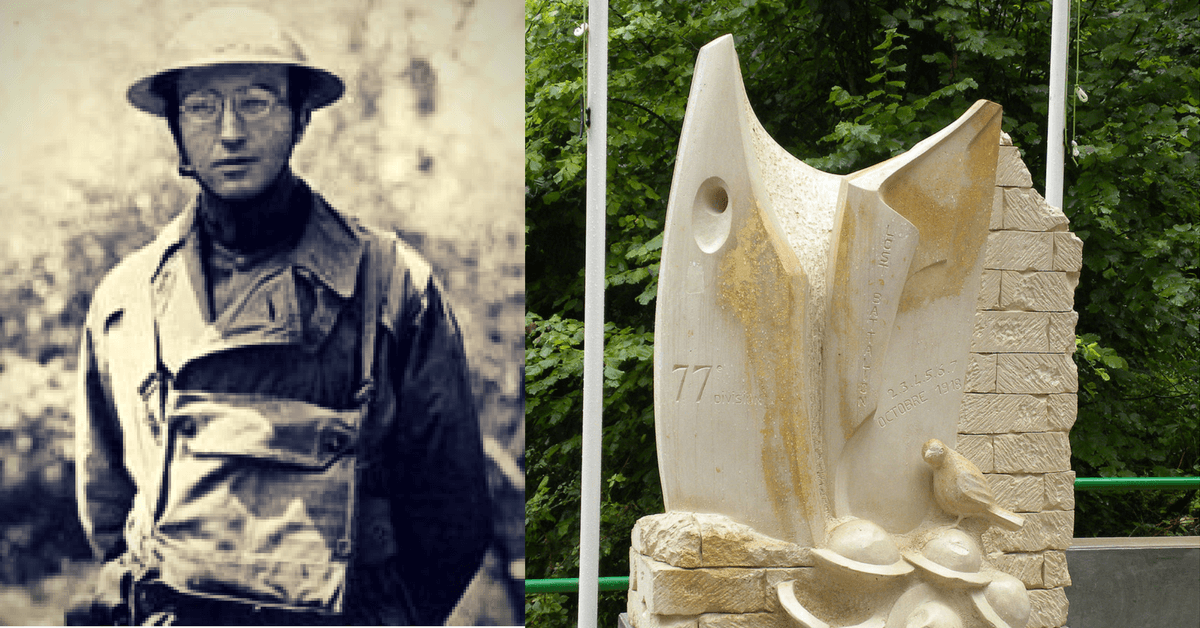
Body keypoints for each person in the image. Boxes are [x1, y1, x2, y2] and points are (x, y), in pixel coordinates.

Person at [68, 7, 491, 625]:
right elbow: (107, 508)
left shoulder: (394, 285)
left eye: (257, 102)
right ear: (175, 127)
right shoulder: (125, 301)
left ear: (300, 118)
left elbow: (451, 517)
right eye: (203, 106)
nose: (230, 131)